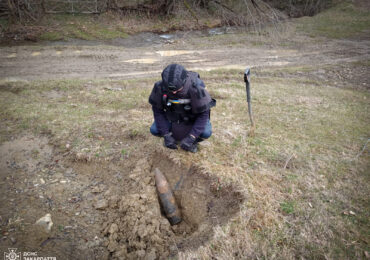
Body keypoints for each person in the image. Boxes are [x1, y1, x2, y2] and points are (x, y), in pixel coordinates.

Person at [149, 64, 215, 153]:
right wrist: (166, 135)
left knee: (206, 132)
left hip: (192, 118)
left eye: (178, 90)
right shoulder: (160, 87)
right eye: (171, 91)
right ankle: (172, 137)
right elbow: (158, 112)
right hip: (172, 117)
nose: (174, 92)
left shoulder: (196, 87)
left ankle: (194, 142)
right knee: (154, 130)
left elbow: (204, 115)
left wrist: (192, 137)